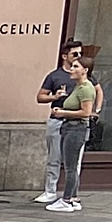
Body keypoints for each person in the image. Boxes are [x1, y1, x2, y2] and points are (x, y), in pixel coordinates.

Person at [47, 52, 98, 213]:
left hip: (76, 129)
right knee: (70, 165)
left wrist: (62, 113)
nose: (71, 69)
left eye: (76, 66)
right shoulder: (79, 87)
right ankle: (73, 198)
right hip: (70, 127)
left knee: (70, 167)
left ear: (85, 70)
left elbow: (86, 113)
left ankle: (66, 200)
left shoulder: (86, 88)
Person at [35, 37, 82, 203]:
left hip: (76, 122)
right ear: (65, 56)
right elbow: (40, 96)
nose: (78, 57)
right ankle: (50, 191)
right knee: (54, 157)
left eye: (80, 54)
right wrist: (54, 97)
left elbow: (97, 91)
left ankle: (71, 195)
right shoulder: (55, 76)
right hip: (57, 120)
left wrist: (95, 110)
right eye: (75, 54)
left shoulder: (83, 75)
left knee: (74, 162)